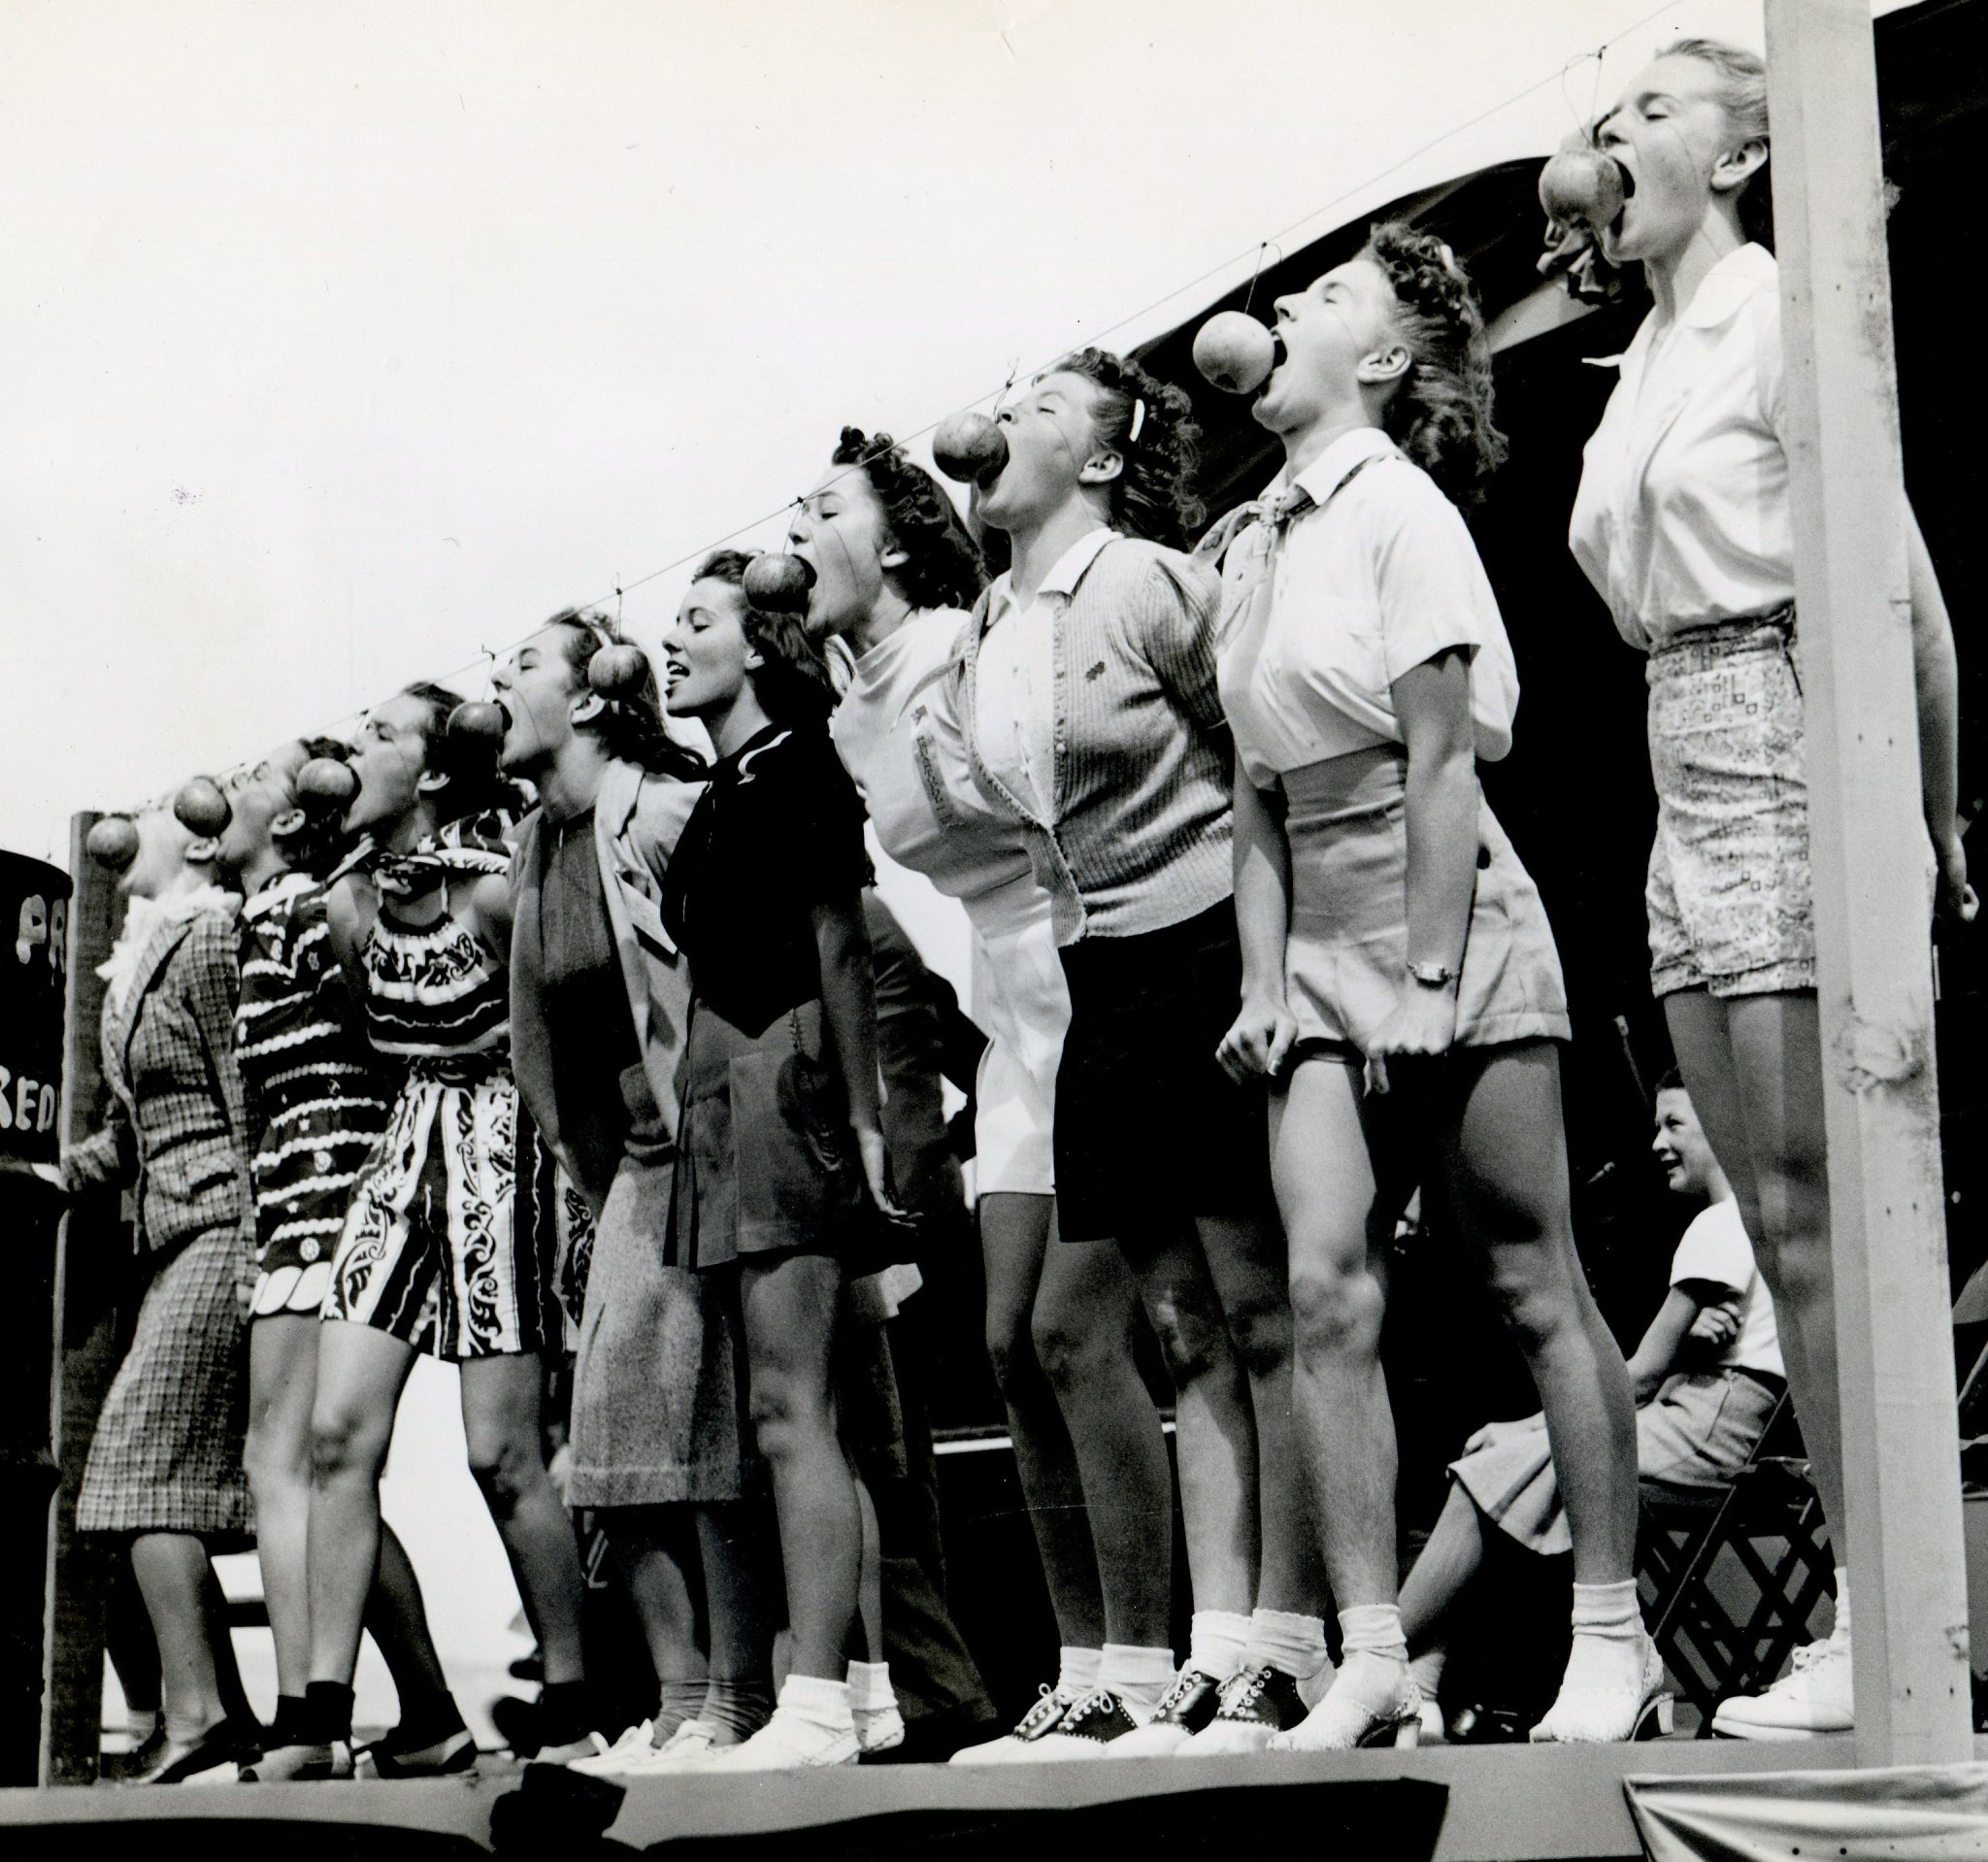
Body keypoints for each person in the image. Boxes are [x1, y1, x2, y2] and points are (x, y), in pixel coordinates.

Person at [1565, 35, 1971, 1739]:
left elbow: (1899, 586)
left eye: (1649, 109)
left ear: (1738, 152)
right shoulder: (1642, 351)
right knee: (1764, 1203)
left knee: (1818, 1206)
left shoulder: (1776, 313)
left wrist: (1933, 831)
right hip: (1676, 742)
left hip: (1782, 721)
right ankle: (1876, 1608)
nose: (1608, 136)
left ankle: (1897, 1615)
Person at [1213, 222, 1645, 1747]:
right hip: (1318, 928)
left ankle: (1611, 1628)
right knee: (1323, 1283)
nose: (1285, 307)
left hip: (1441, 890)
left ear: (1385, 363)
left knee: (1530, 1274)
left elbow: (1446, 754)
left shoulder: (1403, 513)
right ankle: (1375, 1651)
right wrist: (1270, 981)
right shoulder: (1251, 537)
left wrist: (1430, 972)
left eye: (1327, 298)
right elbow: (1256, 794)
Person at [959, 350, 1327, 1755]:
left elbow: (1260, 752)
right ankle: (1216, 1642)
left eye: (1044, 406)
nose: (1007, 419)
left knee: (1257, 1304)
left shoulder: (1148, 581)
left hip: (1203, 952)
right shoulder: (996, 613)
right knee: (1176, 1323)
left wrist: (1266, 966)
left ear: (1103, 459)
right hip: (1095, 974)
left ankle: (1284, 1641)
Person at [791, 426, 1177, 1761]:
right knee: (1011, 1346)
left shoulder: (972, 643)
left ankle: (1146, 1658)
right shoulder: (842, 710)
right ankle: (1079, 1667)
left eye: (822, 505)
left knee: (1079, 1333)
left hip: (1095, 973)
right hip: (1011, 1020)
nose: (798, 524)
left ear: (894, 540)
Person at [262, 684, 586, 1779]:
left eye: (379, 736)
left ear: (436, 774)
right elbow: (376, 1026)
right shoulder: (346, 904)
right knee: (332, 1437)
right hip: (404, 1149)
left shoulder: (494, 894)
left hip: (503, 1147)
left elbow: (550, 1035)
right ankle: (319, 1712)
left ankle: (575, 1690)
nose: (350, 752)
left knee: (500, 1453)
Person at [493, 613, 770, 1779]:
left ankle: (737, 1697)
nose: (496, 685)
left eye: (519, 668)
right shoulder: (533, 843)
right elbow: (539, 1033)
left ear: (590, 702)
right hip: (630, 1170)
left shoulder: (662, 808)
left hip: (717, 1145)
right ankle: (680, 1696)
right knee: (612, 1438)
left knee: (700, 1427)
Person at [654, 549, 908, 1770]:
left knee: (789, 1405)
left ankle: (808, 1697)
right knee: (786, 1410)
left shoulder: (799, 764)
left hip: (779, 1077)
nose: (668, 643)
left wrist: (859, 1117)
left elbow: (840, 945)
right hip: (721, 1098)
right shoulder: (719, 789)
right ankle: (853, 1689)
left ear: (755, 643)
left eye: (693, 621)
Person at [1398, 1071, 1784, 1738]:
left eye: (1676, 1125)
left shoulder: (1717, 1229)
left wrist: (1520, 1428)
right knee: (1505, 1481)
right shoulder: (1750, 1224)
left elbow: (1632, 1379)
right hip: (1723, 1422)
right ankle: (1417, 1683)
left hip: (1706, 1427)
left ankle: (1381, 1660)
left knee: (1490, 1475)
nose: (1658, 1143)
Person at [222, 739, 470, 1779]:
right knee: (321, 1470)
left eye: (249, 781)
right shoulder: (270, 912)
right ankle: (421, 1710)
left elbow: (381, 1022)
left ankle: (304, 1716)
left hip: (335, 1189)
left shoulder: (302, 907)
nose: (224, 789)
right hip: (300, 1197)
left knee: (288, 1461)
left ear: (288, 819)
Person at [56, 793, 261, 1781]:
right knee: (156, 1476)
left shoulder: (213, 935)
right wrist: (70, 1168)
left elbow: (243, 1090)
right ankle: (214, 1714)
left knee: (135, 1469)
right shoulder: (146, 948)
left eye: (155, 804)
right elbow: (145, 1119)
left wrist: (263, 1242)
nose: (129, 820)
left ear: (200, 837)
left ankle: (201, 1718)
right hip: (174, 1227)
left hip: (224, 1226)